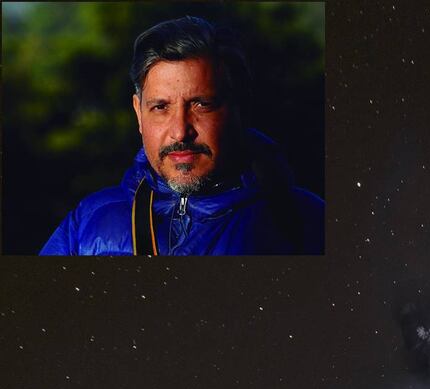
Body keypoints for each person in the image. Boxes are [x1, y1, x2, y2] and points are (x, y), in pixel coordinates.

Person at [40, 16, 324, 255]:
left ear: (241, 107)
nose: (180, 131)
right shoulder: (86, 223)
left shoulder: (307, 223)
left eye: (202, 104)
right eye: (160, 107)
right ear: (139, 114)